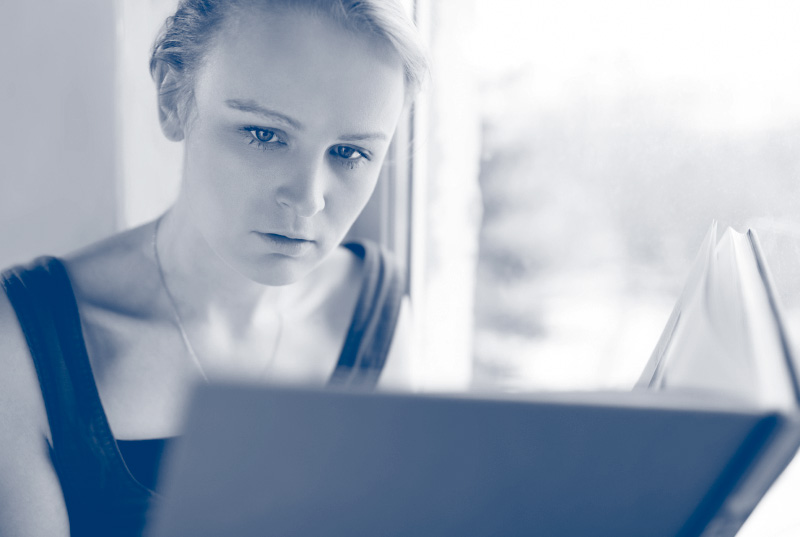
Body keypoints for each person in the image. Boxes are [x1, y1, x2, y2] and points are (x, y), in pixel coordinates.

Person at [0, 1, 428, 535]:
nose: (307, 199)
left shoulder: (377, 312)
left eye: (350, 153)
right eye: (264, 135)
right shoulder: (21, 341)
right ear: (172, 97)